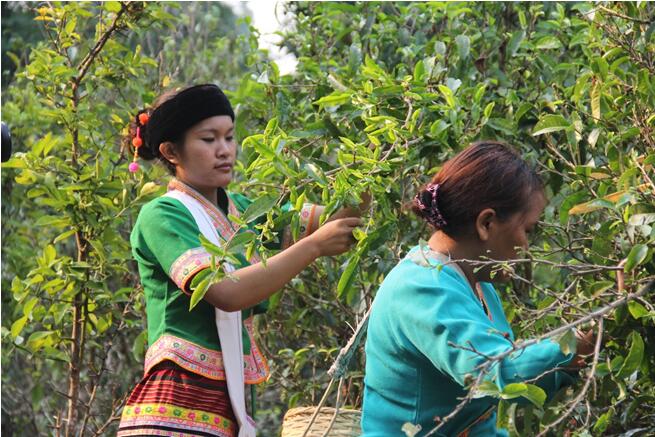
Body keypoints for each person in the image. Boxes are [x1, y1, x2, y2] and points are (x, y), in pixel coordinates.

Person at [117, 84, 363, 437]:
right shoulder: (162, 215)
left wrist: (375, 166)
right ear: (171, 151)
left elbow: (338, 216)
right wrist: (313, 247)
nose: (224, 150)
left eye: (229, 137)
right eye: (208, 139)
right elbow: (224, 292)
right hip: (174, 407)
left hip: (223, 409)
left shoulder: (245, 211)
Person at [361, 142, 594, 436]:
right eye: (528, 230)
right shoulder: (422, 288)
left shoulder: (474, 281)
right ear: (486, 223)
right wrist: (577, 344)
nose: (526, 245)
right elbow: (496, 371)